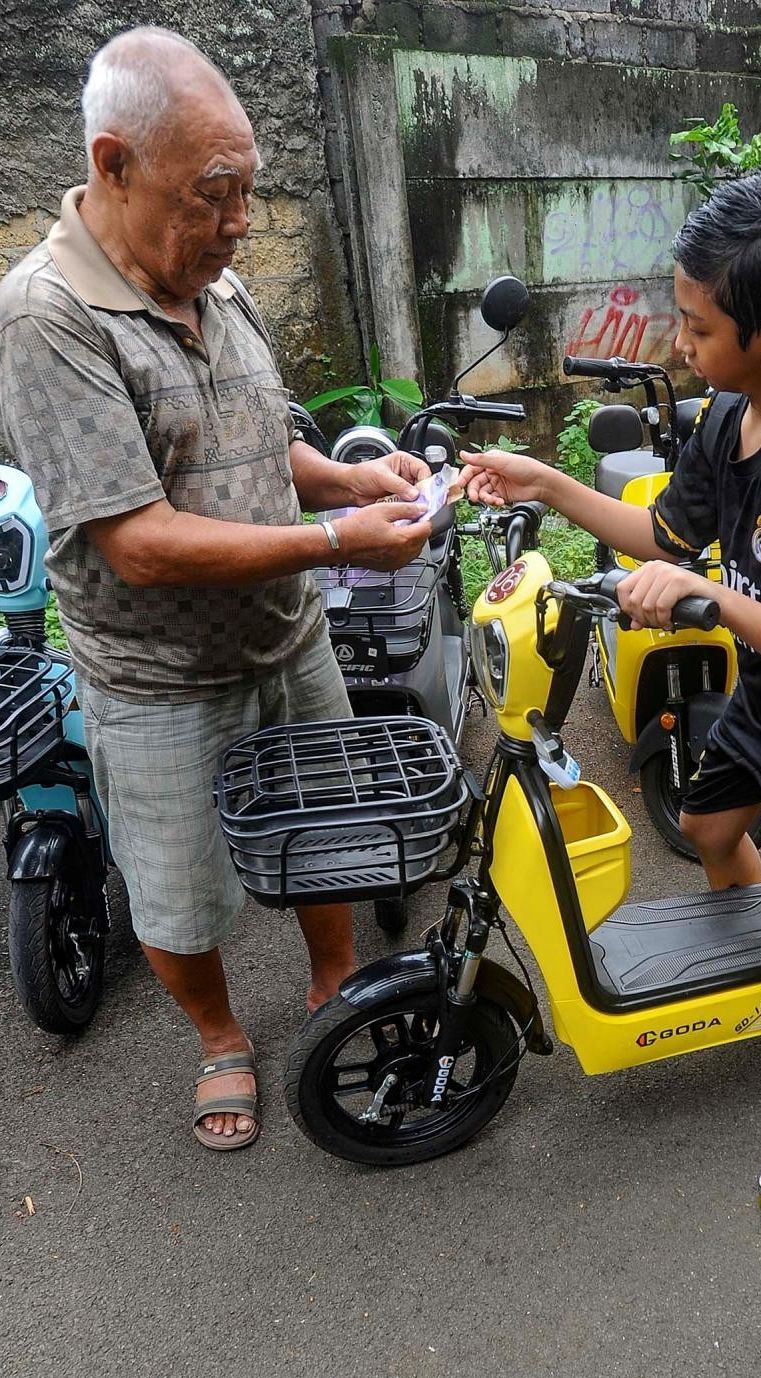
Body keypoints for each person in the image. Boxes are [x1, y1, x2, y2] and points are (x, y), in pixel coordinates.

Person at [0, 27, 435, 1152]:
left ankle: (334, 971)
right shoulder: (45, 316)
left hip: (288, 640)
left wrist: (342, 475)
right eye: (214, 195)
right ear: (113, 165)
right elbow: (137, 540)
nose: (239, 222)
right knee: (178, 893)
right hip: (159, 677)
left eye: (248, 192)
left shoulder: (212, 270)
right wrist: (337, 537)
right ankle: (216, 1035)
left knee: (330, 831)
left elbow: (251, 432)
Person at [464, 173, 761, 1226]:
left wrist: (712, 598)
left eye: (694, 324)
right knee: (711, 824)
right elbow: (666, 538)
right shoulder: (728, 418)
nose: (677, 343)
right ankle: (758, 991)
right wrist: (547, 483)